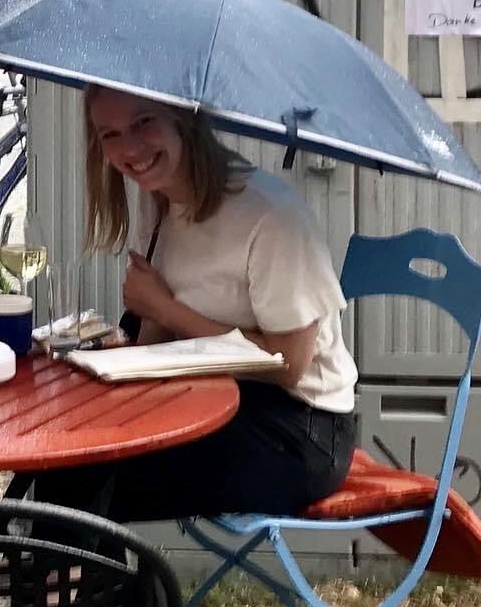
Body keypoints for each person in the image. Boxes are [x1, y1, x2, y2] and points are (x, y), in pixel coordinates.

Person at [37, 86, 356, 523]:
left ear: (183, 118)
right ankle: (84, 585)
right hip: (216, 394)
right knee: (68, 446)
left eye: (144, 122)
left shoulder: (271, 215)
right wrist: (107, 361)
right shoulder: (159, 201)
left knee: (100, 467)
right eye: (109, 134)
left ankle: (81, 585)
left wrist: (167, 310)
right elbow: (158, 339)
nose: (129, 149)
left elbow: (289, 364)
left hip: (302, 429)